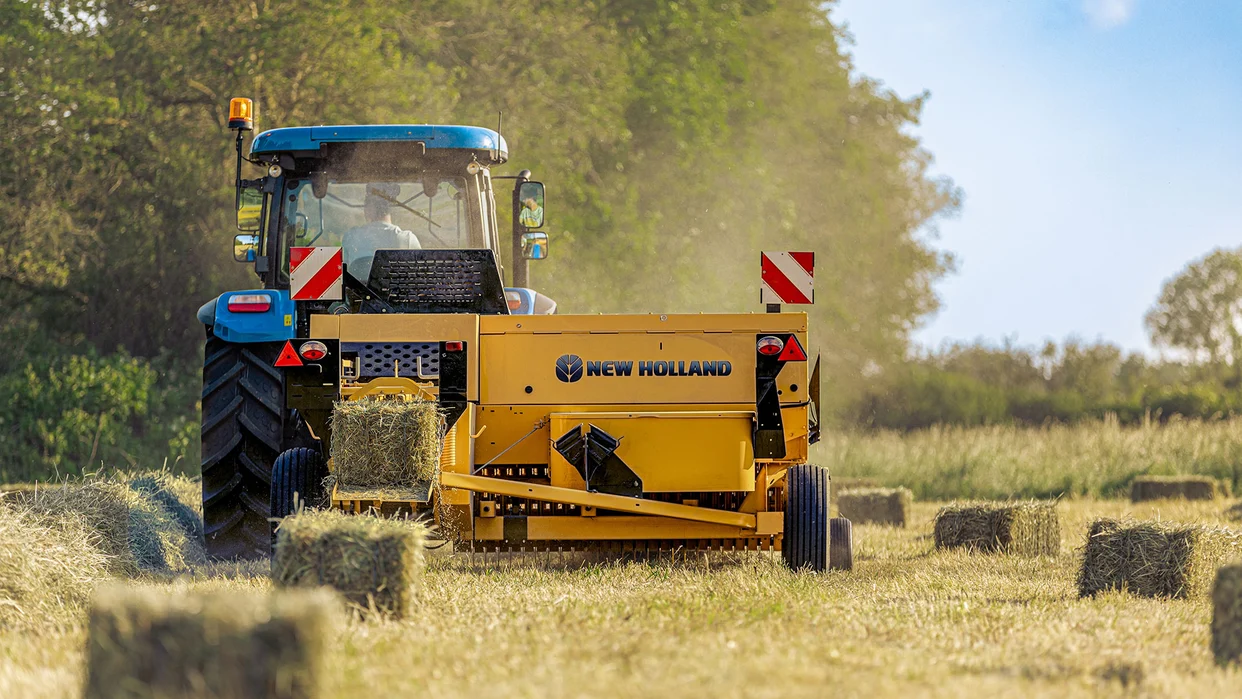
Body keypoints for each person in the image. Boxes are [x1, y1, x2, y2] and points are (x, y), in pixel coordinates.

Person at [342, 183, 421, 282]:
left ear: (368, 209)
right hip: (395, 297)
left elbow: (341, 276)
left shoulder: (351, 237)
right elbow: (419, 279)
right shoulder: (407, 239)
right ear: (391, 208)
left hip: (357, 296)